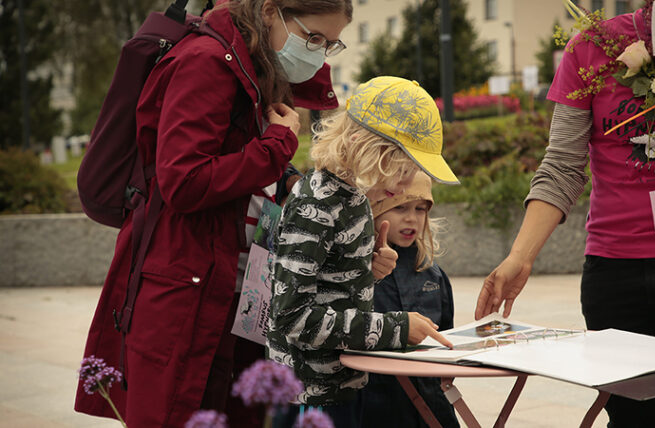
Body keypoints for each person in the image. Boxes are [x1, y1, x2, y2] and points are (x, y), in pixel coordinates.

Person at [475, 0, 655, 427]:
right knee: (629, 419)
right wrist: (521, 256)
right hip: (614, 271)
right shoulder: (594, 47)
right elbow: (562, 166)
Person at [75, 1, 352, 427]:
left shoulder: (258, 69)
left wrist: (289, 182)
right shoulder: (207, 61)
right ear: (268, 11)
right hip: (187, 293)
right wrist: (276, 147)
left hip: (237, 295)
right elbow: (183, 181)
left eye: (330, 45)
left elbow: (240, 172)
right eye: (313, 37)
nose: (317, 52)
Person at [267, 76, 459, 428]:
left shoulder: (355, 197)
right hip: (308, 396)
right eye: (401, 170)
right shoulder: (318, 201)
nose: (404, 186)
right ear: (361, 146)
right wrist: (397, 328)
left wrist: (364, 269)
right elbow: (291, 318)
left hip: (344, 384)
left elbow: (326, 282)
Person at [359, 171, 459, 428]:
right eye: (400, 207)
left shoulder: (432, 273)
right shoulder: (357, 271)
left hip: (431, 407)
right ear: (374, 209)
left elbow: (447, 336)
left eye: (421, 208)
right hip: (375, 406)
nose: (411, 218)